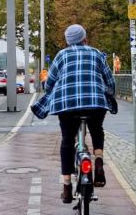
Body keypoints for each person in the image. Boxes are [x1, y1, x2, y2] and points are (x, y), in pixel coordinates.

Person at [31, 23, 116, 203]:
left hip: (67, 105)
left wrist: (50, 89)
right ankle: (98, 160)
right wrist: (108, 92)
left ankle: (67, 186)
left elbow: (50, 84)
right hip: (95, 103)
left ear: (68, 42)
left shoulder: (61, 56)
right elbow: (110, 81)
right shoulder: (96, 53)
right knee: (96, 129)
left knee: (67, 141)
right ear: (85, 39)